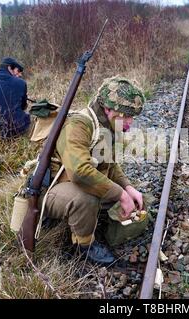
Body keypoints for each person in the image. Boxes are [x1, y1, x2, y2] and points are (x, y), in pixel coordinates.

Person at [43, 76, 145, 265]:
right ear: (108, 109)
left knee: (129, 197)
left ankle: (91, 218)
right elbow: (80, 172)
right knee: (86, 198)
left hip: (71, 184)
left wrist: (128, 188)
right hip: (51, 190)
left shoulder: (105, 126)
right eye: (127, 116)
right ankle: (84, 245)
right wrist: (120, 195)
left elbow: (110, 165)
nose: (130, 123)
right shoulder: (79, 125)